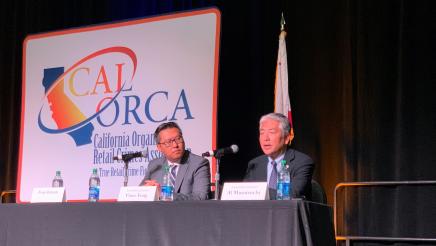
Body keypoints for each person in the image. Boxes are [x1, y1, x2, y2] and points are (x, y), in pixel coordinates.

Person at [244, 113, 314, 200]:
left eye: (271, 132)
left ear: (287, 138)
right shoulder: (255, 164)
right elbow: (245, 196)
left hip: (288, 212)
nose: (266, 138)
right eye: (262, 133)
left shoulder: (302, 162)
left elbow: (293, 194)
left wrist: (257, 192)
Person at [140, 122, 210, 200]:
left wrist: (165, 194)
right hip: (158, 211)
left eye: (178, 139)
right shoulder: (155, 165)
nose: (175, 145)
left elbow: (200, 197)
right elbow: (140, 192)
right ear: (159, 147)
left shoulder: (199, 163)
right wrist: (146, 190)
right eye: (168, 142)